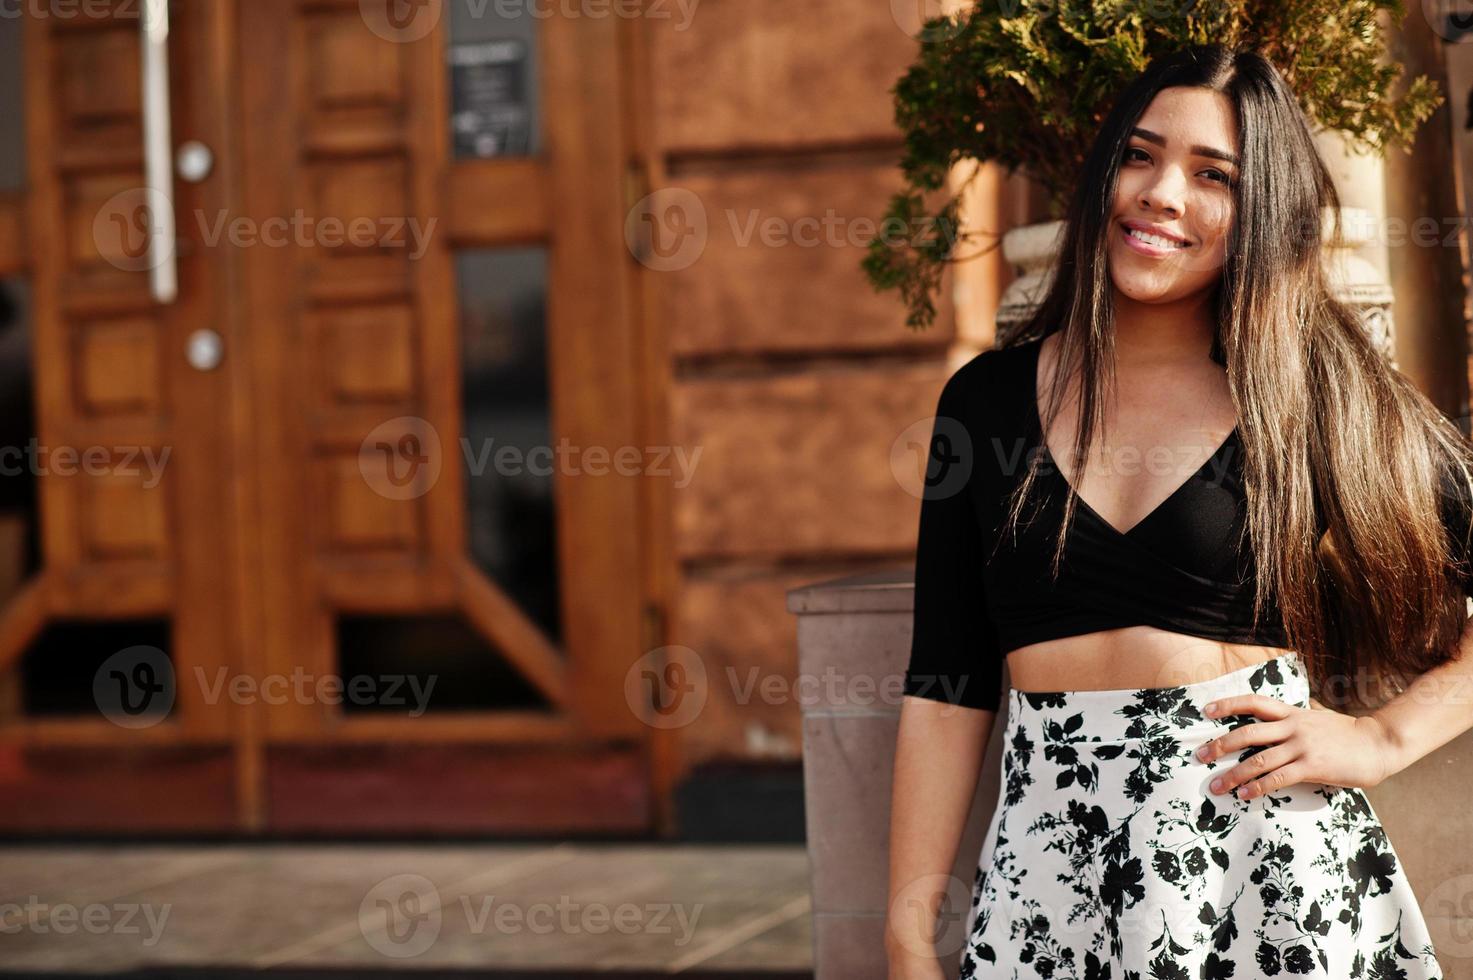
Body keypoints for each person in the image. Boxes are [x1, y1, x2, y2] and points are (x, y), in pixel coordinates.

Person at [886, 44, 1470, 979]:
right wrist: (909, 934)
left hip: (1269, 877)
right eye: (1138, 155)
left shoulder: (1310, 390)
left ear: (1259, 214)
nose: (1161, 193)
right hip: (1050, 879)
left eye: (1213, 176)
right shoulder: (983, 402)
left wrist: (1382, 737)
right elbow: (946, 681)